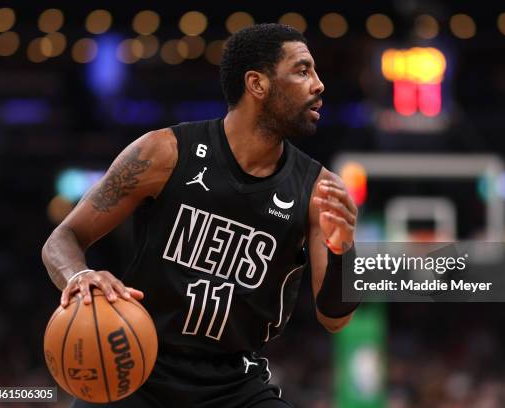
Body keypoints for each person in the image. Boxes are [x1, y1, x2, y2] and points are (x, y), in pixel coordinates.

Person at [42, 23, 358, 407]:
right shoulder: (164, 153)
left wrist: (343, 252)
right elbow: (62, 239)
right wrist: (80, 276)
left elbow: (335, 319)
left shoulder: (317, 189)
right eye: (303, 70)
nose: (319, 84)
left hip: (234, 387)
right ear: (257, 84)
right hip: (135, 369)